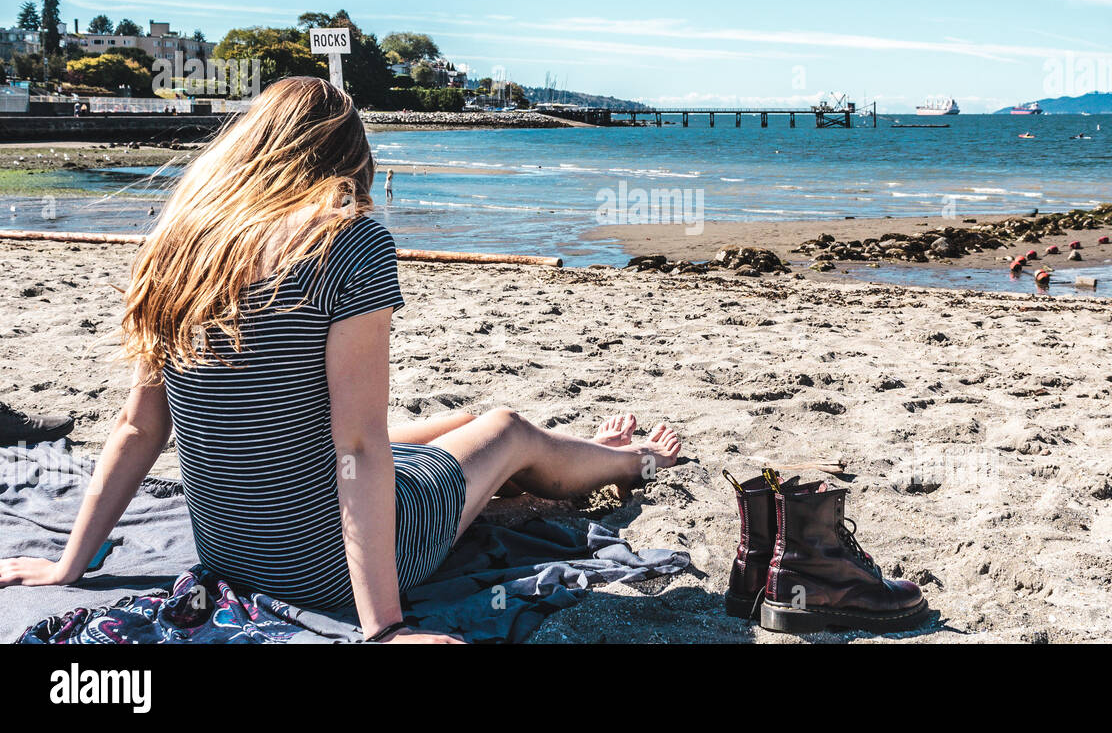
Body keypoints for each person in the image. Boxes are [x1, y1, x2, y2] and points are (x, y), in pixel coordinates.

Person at [0, 76, 680, 644]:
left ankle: (575, 453)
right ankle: (633, 461)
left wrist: (69, 564)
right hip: (324, 564)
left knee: (458, 421)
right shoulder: (350, 243)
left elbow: (138, 428)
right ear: (345, 162)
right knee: (504, 427)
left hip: (230, 550)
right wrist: (382, 628)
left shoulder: (178, 245)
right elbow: (354, 443)